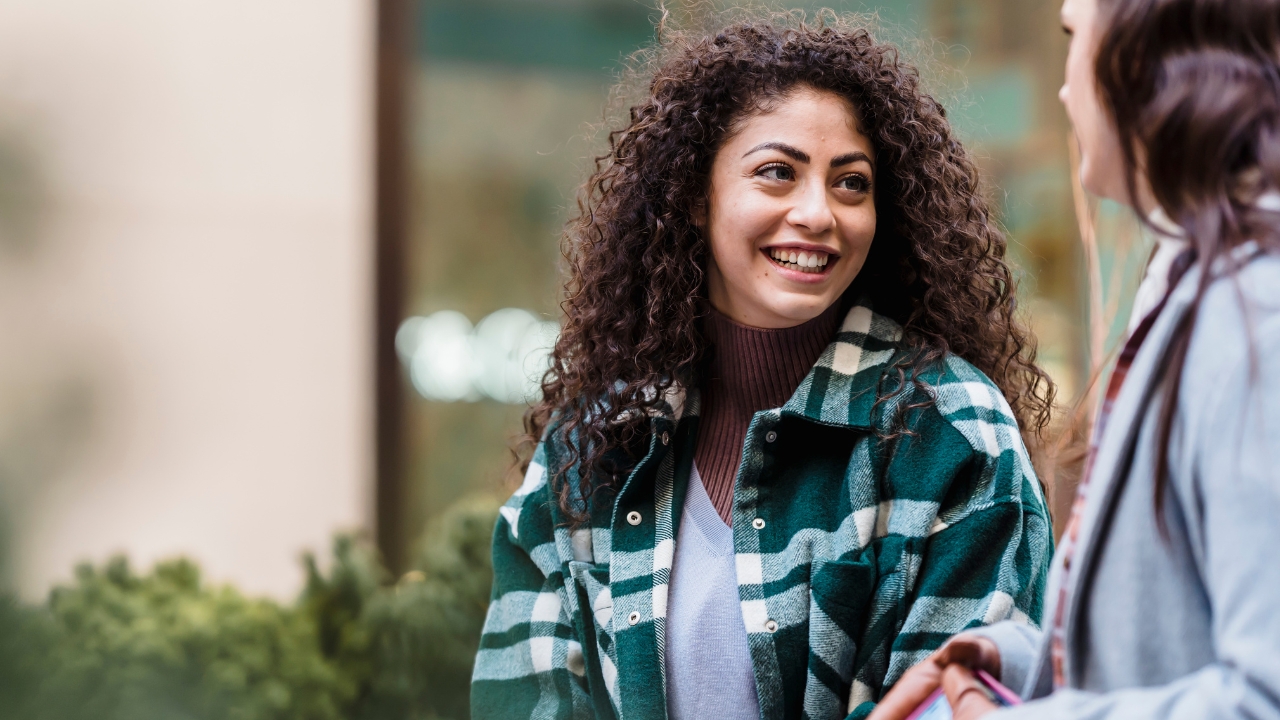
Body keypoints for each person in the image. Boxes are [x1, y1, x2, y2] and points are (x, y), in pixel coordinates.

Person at [470, 12, 1056, 720]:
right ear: (695, 195)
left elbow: (957, 703)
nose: (818, 213)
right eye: (777, 173)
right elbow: (522, 698)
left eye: (851, 184)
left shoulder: (952, 433)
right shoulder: (590, 444)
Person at [870, 0, 1280, 718]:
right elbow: (1177, 633)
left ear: (1146, 60)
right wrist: (1010, 660)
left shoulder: (1256, 317)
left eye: (1073, 39)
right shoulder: (1200, 288)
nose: (1064, 87)